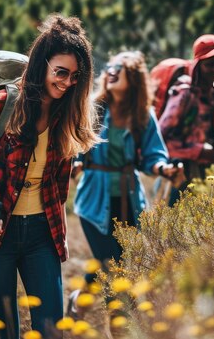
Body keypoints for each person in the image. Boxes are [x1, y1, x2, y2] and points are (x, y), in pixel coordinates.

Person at [0, 14, 100, 338]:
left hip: (42, 234)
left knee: (51, 331)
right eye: (60, 73)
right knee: (5, 333)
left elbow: (59, 191)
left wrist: (57, 231)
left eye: (75, 76)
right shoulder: (1, 105)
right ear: (41, 66)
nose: (66, 83)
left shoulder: (68, 115)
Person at [69, 51, 177, 314]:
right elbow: (73, 142)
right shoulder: (91, 108)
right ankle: (119, 324)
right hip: (95, 201)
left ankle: (77, 301)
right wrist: (75, 163)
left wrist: (163, 168)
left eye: (121, 68)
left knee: (115, 264)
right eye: (111, 67)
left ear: (134, 78)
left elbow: (153, 153)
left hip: (129, 203)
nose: (113, 71)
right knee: (111, 268)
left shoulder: (143, 115)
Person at [158, 34, 214, 205]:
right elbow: (162, 139)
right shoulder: (183, 94)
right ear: (198, 65)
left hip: (209, 173)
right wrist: (199, 152)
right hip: (180, 173)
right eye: (210, 65)